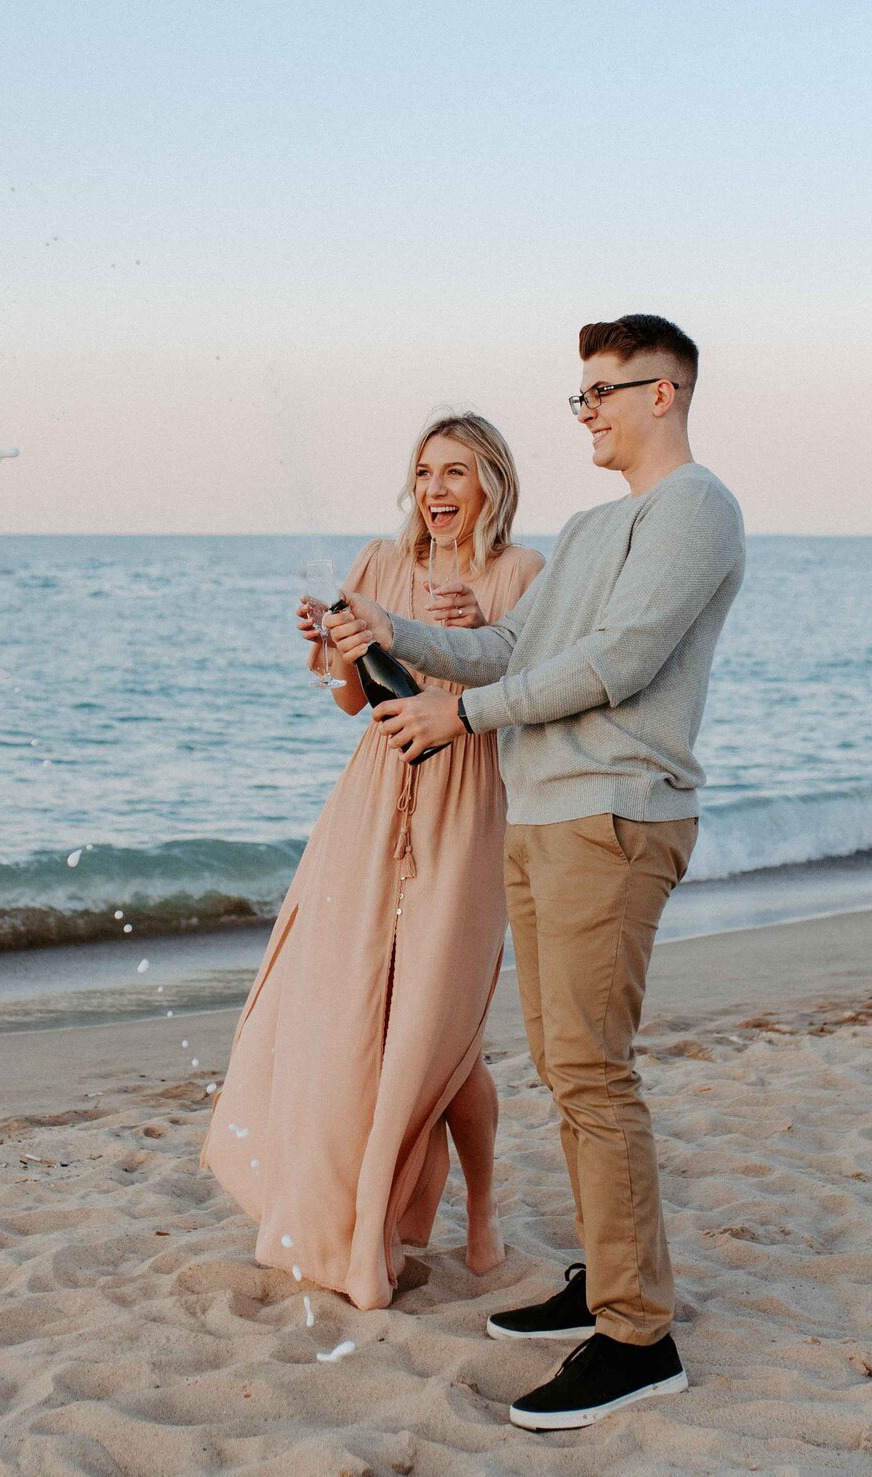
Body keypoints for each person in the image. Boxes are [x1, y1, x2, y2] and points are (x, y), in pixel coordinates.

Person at [326, 314, 745, 1432]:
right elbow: (516, 649)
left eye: (604, 392)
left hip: (613, 818)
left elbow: (619, 663)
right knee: (567, 1069)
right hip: (547, 815)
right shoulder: (596, 524)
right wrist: (390, 626)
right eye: (581, 396)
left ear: (665, 393)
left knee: (594, 1073)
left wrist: (458, 713)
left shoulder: (693, 508)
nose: (588, 412)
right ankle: (610, 1282)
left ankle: (637, 1337)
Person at [204, 412, 544, 1310]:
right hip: (372, 795)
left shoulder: (522, 575)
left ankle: (458, 1213)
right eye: (424, 472)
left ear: (491, 484)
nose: (435, 490)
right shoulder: (381, 563)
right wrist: (334, 645)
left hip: (467, 804)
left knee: (443, 1021)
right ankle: (374, 1225)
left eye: (456, 472)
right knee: (357, 1008)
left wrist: (481, 633)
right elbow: (351, 702)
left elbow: (530, 696)